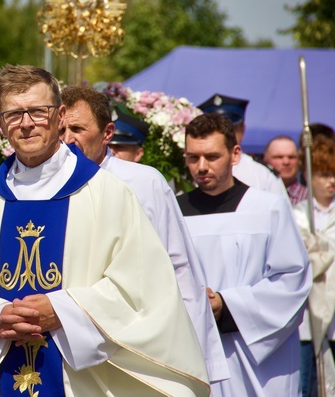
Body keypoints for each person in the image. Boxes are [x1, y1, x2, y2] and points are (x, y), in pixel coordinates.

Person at [0, 65, 209, 396]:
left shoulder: (108, 194)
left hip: (83, 380)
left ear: (60, 116)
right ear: (0, 123)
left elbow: (143, 287)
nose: (26, 124)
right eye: (13, 114)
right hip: (1, 371)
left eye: (38, 111)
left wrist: (63, 312)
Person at [60, 85, 228, 382]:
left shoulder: (143, 182)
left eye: (77, 128)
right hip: (73, 338)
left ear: (107, 133)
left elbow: (179, 266)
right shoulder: (46, 187)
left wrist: (195, 356)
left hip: (139, 340)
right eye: (61, 130)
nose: (67, 139)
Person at [177, 113, 312, 396]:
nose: (201, 167)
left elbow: (293, 283)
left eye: (212, 156)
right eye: (192, 158)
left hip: (257, 361)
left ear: (235, 154)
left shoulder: (268, 209)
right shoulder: (174, 212)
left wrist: (226, 305)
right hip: (193, 351)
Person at [292, 137, 335, 396]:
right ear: (308, 175)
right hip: (307, 316)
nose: (332, 181)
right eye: (324, 174)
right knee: (304, 384)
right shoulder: (297, 214)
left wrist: (325, 251)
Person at [197, 93, 287, 197]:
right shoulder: (193, 173)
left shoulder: (263, 176)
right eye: (214, 131)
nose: (223, 136)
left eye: (230, 129)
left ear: (242, 129)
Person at [264, 135, 307, 204]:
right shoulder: (257, 194)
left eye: (291, 157)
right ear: (265, 160)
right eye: (279, 157)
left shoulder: (311, 198)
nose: (286, 162)